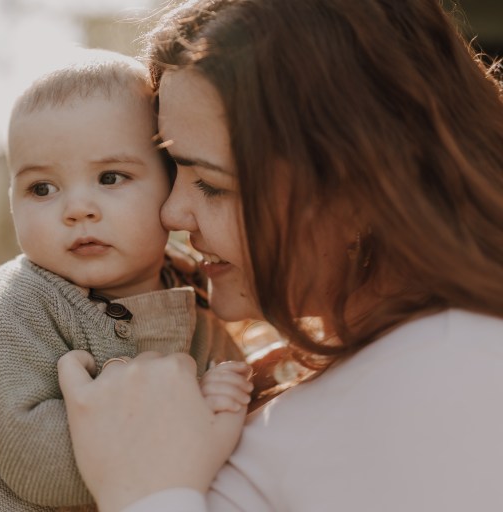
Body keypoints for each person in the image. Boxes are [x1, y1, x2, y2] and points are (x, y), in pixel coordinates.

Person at [57, 0, 503, 510]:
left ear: (356, 192)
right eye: (171, 170)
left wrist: (144, 495)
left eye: (212, 184)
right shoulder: (393, 360)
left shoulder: (453, 384)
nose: (171, 212)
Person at [0, 48, 250, 512]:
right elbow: (36, 466)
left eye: (110, 177)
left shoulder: (196, 292)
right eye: (42, 189)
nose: (77, 209)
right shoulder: (21, 302)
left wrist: (229, 393)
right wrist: (192, 419)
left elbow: (236, 429)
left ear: (170, 183)